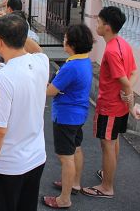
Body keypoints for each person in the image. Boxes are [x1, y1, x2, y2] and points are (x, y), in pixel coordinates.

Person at [0, 14, 49, 211]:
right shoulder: (42, 62)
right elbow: (37, 50)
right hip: (36, 157)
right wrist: (18, 32)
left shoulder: (3, 77)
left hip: (9, 165)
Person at [81, 6, 140, 199]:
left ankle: (107, 187)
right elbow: (134, 73)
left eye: (98, 21)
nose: (96, 24)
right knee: (113, 142)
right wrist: (127, 94)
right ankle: (108, 174)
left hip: (110, 106)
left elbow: (124, 80)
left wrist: (129, 100)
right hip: (118, 106)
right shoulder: (122, 43)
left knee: (107, 145)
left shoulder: (112, 51)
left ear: (107, 26)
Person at [43, 24, 94, 209]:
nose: (63, 40)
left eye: (65, 38)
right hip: (78, 114)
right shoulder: (84, 61)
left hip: (66, 116)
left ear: (72, 43)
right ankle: (74, 183)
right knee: (76, 149)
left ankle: (64, 199)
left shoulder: (70, 67)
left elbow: (50, 91)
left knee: (65, 157)